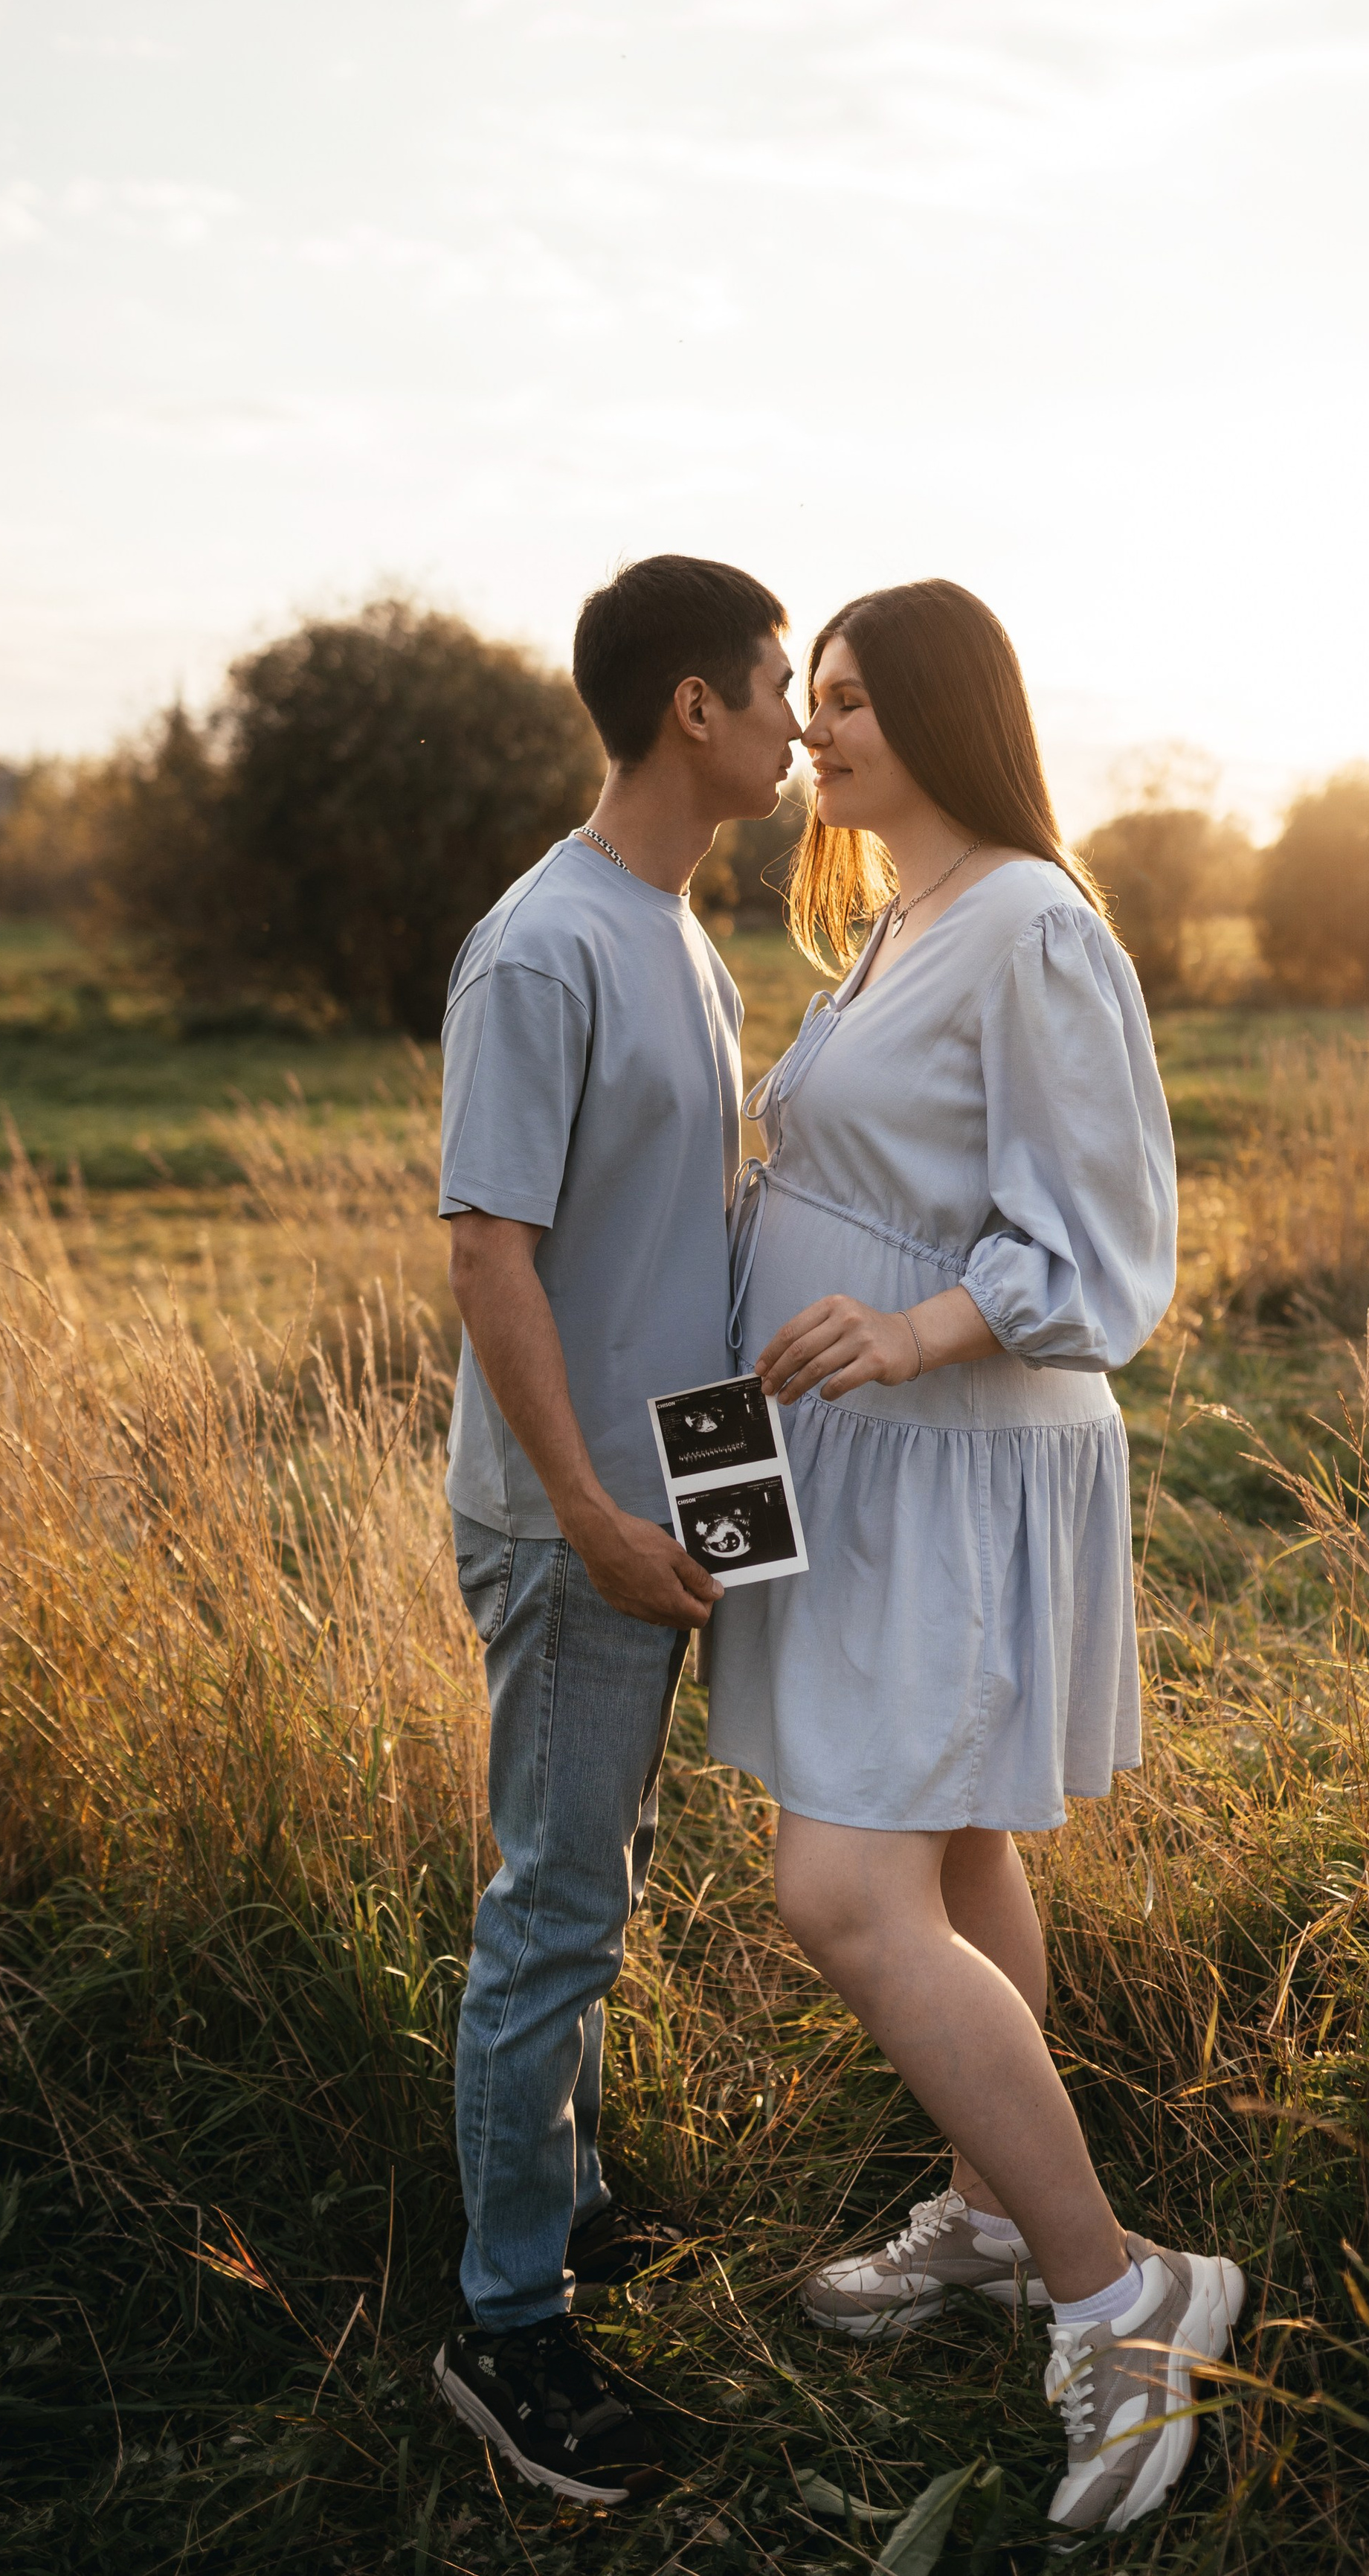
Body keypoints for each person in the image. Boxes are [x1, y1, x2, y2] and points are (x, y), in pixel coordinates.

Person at [705, 578, 1246, 2536]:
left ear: (941, 709)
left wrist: (914, 1330)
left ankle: (1126, 2296)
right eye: (812, 698)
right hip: (856, 1465)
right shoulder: (883, 922)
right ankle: (1005, 2214)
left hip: (957, 1455)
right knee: (944, 1855)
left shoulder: (1026, 920)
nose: (819, 732)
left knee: (844, 1887)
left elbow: (1107, 1248)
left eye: (852, 700)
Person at [430, 553, 801, 2505]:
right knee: (553, 1908)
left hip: (660, 1523)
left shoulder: (687, 939)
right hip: (569, 1523)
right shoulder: (546, 943)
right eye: (773, 682)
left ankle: (558, 2206)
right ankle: (506, 2323)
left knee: (603, 1870)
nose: (798, 724)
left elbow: (689, 1262)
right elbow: (491, 1249)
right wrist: (587, 1512)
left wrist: (730, 1527)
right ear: (692, 711)